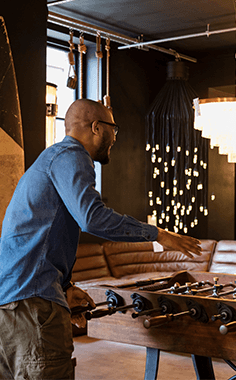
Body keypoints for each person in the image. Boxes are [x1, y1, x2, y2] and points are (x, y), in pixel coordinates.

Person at [0, 98, 202, 379]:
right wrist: (158, 234)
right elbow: (92, 218)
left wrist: (64, 286)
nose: (115, 138)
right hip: (33, 304)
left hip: (11, 302)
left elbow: (39, 235)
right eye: (114, 129)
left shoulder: (50, 159)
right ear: (97, 127)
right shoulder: (72, 155)